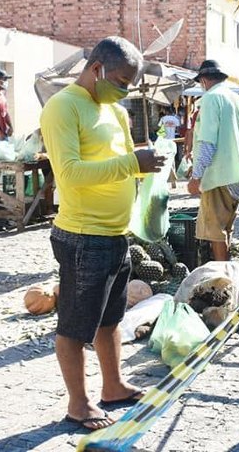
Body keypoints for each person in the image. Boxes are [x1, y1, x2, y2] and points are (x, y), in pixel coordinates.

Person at [40, 36, 165, 431]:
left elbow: (125, 162)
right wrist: (132, 163)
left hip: (115, 233)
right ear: (97, 69)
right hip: (82, 236)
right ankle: (78, 403)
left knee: (110, 320)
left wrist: (149, 167)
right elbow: (71, 174)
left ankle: (113, 386)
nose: (125, 89)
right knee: (75, 326)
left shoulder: (116, 111)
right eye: (123, 80)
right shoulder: (63, 107)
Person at [186, 60, 239, 261]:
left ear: (203, 81)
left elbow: (207, 142)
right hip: (237, 172)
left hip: (219, 175)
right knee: (226, 229)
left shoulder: (211, 98)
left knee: (215, 231)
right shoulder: (235, 98)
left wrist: (196, 176)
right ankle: (227, 271)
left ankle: (223, 278)